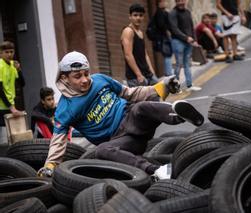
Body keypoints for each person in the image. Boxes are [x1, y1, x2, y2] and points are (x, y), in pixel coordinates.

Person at [37, 51, 204, 178]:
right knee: (102, 151)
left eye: (86, 74)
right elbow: (58, 141)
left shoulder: (100, 80)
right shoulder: (64, 110)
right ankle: (157, 171)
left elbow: (130, 93)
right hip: (122, 142)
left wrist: (162, 86)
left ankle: (178, 115)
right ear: (65, 78)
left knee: (141, 107)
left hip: (133, 119)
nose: (85, 80)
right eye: (77, 76)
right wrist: (50, 165)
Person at [121, 3, 158, 87]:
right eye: (135, 15)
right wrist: (139, 75)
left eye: (141, 15)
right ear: (130, 16)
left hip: (147, 74)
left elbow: (145, 55)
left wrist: (152, 72)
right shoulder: (128, 31)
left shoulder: (140, 32)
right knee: (144, 100)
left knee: (157, 96)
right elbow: (128, 55)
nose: (138, 18)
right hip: (135, 77)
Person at [169, 0, 201, 91]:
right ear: (176, 2)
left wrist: (194, 39)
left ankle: (189, 85)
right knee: (179, 64)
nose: (181, 2)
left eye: (182, 0)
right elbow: (174, 29)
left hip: (188, 41)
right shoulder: (173, 13)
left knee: (187, 63)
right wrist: (186, 38)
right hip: (178, 42)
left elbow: (192, 27)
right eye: (178, 1)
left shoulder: (187, 12)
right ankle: (176, 88)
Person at [0, 41, 24, 143]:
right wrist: (11, 107)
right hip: (1, 106)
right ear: (1, 53)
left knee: (11, 136)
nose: (10, 54)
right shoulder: (0, 66)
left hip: (10, 105)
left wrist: (18, 70)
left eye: (11, 52)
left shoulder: (12, 65)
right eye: (6, 52)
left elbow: (22, 83)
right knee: (3, 138)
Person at [151, 0, 173, 76]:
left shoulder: (163, 12)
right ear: (159, 3)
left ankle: (168, 72)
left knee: (167, 55)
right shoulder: (160, 13)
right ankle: (169, 73)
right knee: (167, 55)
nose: (165, 3)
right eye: (163, 2)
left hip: (163, 37)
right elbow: (161, 25)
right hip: (163, 38)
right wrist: (167, 32)